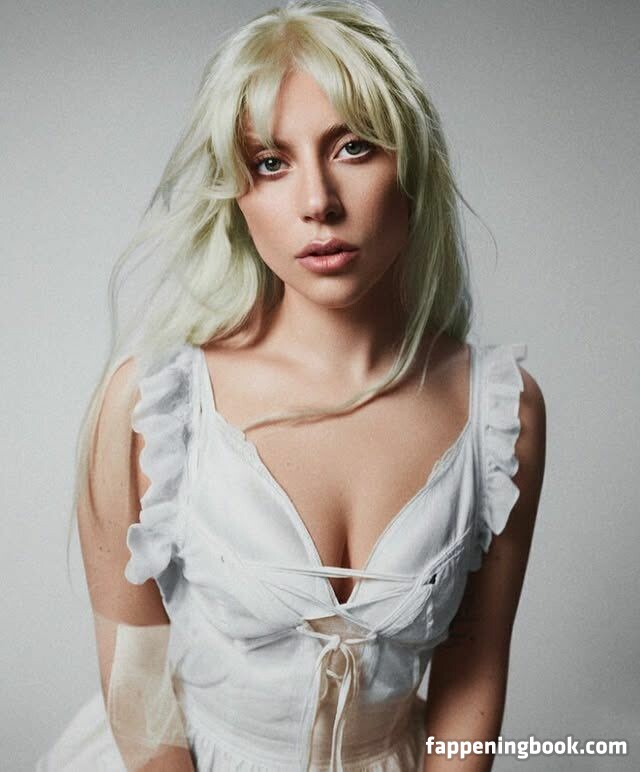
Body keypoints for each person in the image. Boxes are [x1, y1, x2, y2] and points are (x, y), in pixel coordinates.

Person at [38, 0, 546, 769]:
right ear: (237, 194)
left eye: (353, 147)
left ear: (412, 165)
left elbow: (473, 665)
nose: (317, 203)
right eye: (271, 163)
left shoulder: (500, 414)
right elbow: (138, 682)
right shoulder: (153, 407)